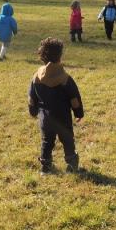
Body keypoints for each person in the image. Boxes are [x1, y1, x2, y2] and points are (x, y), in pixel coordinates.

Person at [28, 37, 84, 174]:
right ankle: (72, 165)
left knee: (47, 141)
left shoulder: (36, 76)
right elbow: (74, 99)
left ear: (42, 56)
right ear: (60, 56)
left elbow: (32, 98)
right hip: (63, 118)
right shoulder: (65, 78)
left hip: (45, 118)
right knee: (67, 140)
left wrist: (33, 111)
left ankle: (45, 168)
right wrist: (78, 113)